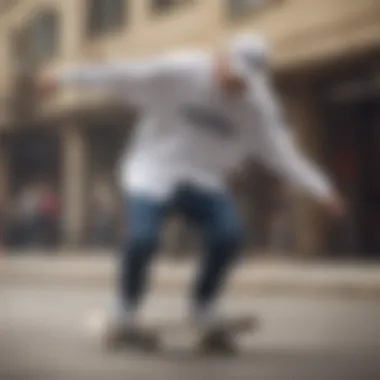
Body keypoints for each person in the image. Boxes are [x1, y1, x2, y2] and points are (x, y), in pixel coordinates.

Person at [36, 34, 345, 335]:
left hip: (203, 181)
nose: (234, 86)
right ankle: (126, 308)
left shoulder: (258, 106)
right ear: (221, 58)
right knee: (143, 240)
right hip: (152, 172)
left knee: (228, 236)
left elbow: (283, 154)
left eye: (243, 82)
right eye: (231, 76)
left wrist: (322, 190)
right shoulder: (180, 71)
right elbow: (120, 75)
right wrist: (63, 78)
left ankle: (203, 306)